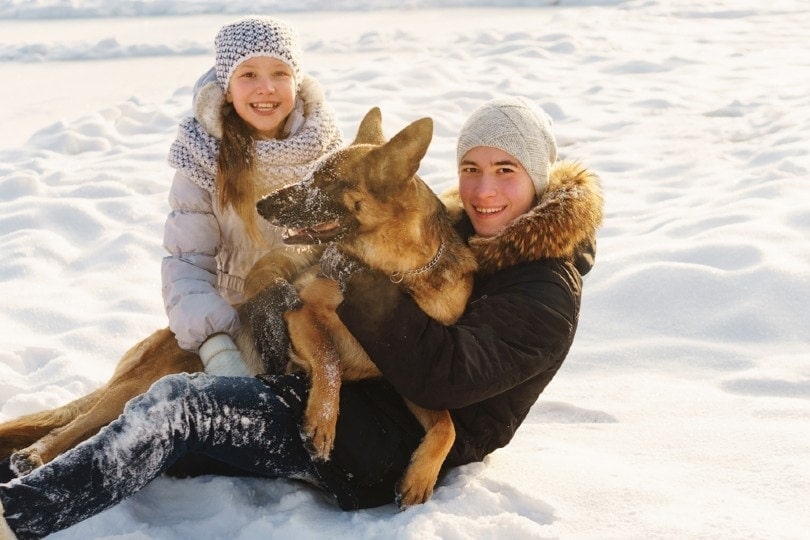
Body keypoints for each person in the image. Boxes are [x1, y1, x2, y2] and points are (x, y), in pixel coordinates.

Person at [0, 96, 602, 538]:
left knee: (179, 405)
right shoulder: (453, 236)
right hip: (319, 390)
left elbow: (440, 376)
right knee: (140, 416)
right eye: (472, 169)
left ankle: (20, 514)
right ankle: (28, 458)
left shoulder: (546, 292)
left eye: (505, 171)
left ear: (538, 179)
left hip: (375, 446)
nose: (482, 190)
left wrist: (351, 291)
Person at [164, 16, 343, 375]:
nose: (266, 88)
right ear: (227, 88)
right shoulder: (203, 157)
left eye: (280, 73)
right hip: (236, 320)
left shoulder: (327, 152)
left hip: (312, 318)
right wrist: (218, 346)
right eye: (248, 75)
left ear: (297, 81)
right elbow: (185, 266)